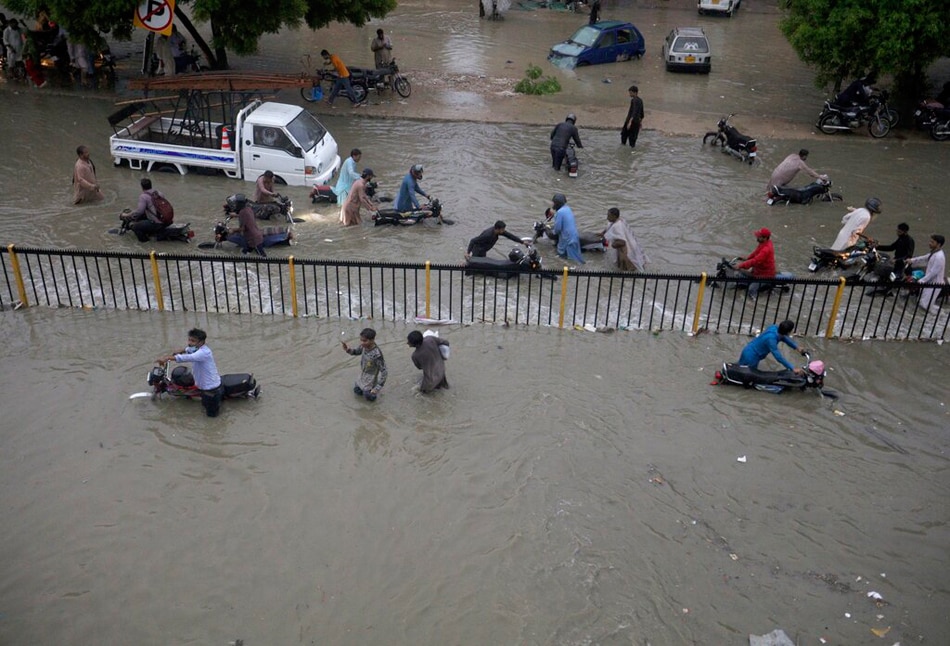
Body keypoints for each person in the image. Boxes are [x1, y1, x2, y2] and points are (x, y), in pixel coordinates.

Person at [157, 328, 223, 417]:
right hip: (203, 385)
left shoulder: (204, 353)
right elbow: (189, 349)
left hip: (210, 388)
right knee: (204, 405)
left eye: (193, 341)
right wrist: (181, 350)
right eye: (189, 339)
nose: (189, 342)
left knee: (211, 416)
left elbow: (188, 357)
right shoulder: (196, 348)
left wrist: (167, 358)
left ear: (201, 342)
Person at [738, 320, 808, 374]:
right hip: (751, 357)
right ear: (788, 332)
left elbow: (784, 338)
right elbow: (778, 357)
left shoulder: (774, 327)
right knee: (748, 377)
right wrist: (792, 368)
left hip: (749, 351)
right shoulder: (771, 340)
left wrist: (796, 347)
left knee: (740, 369)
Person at [868, 223, 915, 297]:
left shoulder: (909, 241)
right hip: (896, 262)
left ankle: (893, 293)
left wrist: (897, 260)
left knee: (895, 279)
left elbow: (909, 255)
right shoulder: (900, 239)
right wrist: (877, 247)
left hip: (903, 264)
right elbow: (891, 247)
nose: (897, 233)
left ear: (905, 232)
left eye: (899, 231)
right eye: (897, 231)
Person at [342, 327, 387, 401]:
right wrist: (347, 350)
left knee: (368, 397)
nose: (362, 343)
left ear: (372, 340)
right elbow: (356, 352)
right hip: (362, 374)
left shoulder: (377, 355)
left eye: (365, 341)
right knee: (357, 391)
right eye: (361, 340)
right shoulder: (363, 346)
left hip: (371, 378)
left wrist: (377, 388)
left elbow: (384, 371)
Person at [906, 234, 946, 315]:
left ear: (938, 244)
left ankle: (940, 316)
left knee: (924, 305)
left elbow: (933, 272)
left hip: (935, 284)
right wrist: (912, 260)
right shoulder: (933, 253)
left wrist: (922, 280)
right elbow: (924, 258)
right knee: (923, 303)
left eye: (932, 242)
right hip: (929, 283)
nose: (929, 243)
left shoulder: (939, 257)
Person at [601, 208, 647, 272]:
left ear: (614, 216)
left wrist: (613, 245)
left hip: (623, 248)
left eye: (609, 216)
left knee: (624, 266)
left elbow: (622, 242)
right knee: (629, 262)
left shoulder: (617, 226)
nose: (607, 218)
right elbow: (609, 227)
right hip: (628, 243)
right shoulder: (618, 220)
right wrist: (602, 233)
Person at [549, 193, 584, 264]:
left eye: (554, 203)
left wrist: (552, 231)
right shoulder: (567, 209)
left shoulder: (560, 212)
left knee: (564, 259)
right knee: (577, 259)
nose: (553, 205)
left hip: (567, 240)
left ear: (558, 203)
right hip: (574, 237)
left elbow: (557, 229)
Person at [333, 148, 362, 222]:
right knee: (344, 205)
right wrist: (360, 177)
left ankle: (344, 218)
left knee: (346, 205)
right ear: (354, 156)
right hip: (344, 187)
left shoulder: (352, 162)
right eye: (359, 157)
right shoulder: (349, 162)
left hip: (348, 186)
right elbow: (351, 173)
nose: (359, 159)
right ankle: (341, 219)